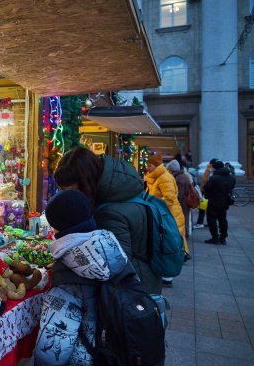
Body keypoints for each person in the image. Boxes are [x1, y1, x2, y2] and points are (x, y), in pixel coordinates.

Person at [34, 189, 129, 366]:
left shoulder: (67, 277)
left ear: (57, 227)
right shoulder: (112, 250)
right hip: (118, 351)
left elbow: (53, 348)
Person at [54, 147, 162, 294]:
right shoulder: (119, 189)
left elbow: (113, 267)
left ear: (85, 181)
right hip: (143, 280)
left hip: (132, 295)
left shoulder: (110, 211)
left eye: (68, 189)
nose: (65, 194)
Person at [145, 155, 188, 288]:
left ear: (156, 166)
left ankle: (168, 276)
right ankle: (166, 272)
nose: (147, 167)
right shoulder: (156, 177)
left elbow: (169, 198)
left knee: (168, 245)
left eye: (150, 165)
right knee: (167, 244)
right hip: (164, 214)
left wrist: (153, 206)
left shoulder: (164, 177)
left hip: (169, 215)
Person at [203, 160, 236, 245]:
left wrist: (208, 195)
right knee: (223, 219)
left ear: (216, 167)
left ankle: (215, 237)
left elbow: (206, 188)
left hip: (214, 201)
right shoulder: (231, 177)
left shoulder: (214, 178)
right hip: (225, 202)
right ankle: (223, 238)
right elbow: (231, 187)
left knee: (211, 219)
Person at [167, 159, 192, 258]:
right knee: (185, 219)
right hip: (185, 202)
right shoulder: (184, 176)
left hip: (182, 203)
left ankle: (183, 240)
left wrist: (175, 201)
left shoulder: (179, 179)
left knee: (182, 221)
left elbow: (179, 194)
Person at [194, 158, 218, 229]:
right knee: (205, 208)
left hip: (208, 192)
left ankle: (202, 223)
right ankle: (205, 223)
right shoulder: (210, 170)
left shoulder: (210, 170)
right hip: (209, 192)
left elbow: (204, 181)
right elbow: (204, 181)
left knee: (205, 208)